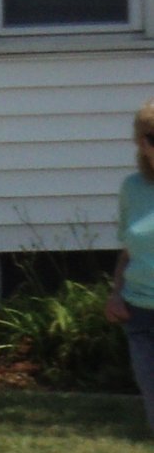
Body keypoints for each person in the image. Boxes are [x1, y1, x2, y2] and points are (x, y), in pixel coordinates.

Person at [105, 102, 154, 432]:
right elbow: (128, 250)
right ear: (140, 143)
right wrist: (115, 294)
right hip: (139, 313)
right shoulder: (132, 188)